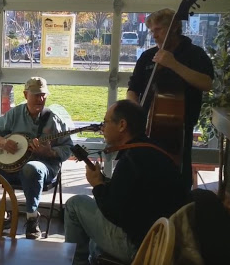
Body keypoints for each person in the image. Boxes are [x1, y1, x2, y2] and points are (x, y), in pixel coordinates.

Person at [64, 100, 186, 265]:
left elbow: (114, 213)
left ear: (122, 125)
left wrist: (97, 185)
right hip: (165, 241)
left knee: (74, 205)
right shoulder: (154, 149)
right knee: (94, 242)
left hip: (143, 248)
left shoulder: (130, 160)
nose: (102, 128)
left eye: (106, 122)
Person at [0, 77, 73, 239]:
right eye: (36, 95)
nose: (41, 99)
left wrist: (49, 152)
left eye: (43, 95)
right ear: (25, 94)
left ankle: (32, 218)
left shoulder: (54, 119)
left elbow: (67, 148)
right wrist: (2, 142)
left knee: (31, 168)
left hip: (43, 167)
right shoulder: (14, 114)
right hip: (11, 167)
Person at [126, 8, 214, 192]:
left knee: (176, 179)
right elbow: (133, 89)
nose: (154, 35)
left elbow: (206, 83)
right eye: (152, 31)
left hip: (179, 130)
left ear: (174, 28)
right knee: (143, 178)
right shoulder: (147, 56)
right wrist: (136, 111)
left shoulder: (194, 54)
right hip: (147, 128)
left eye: (159, 30)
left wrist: (173, 64)